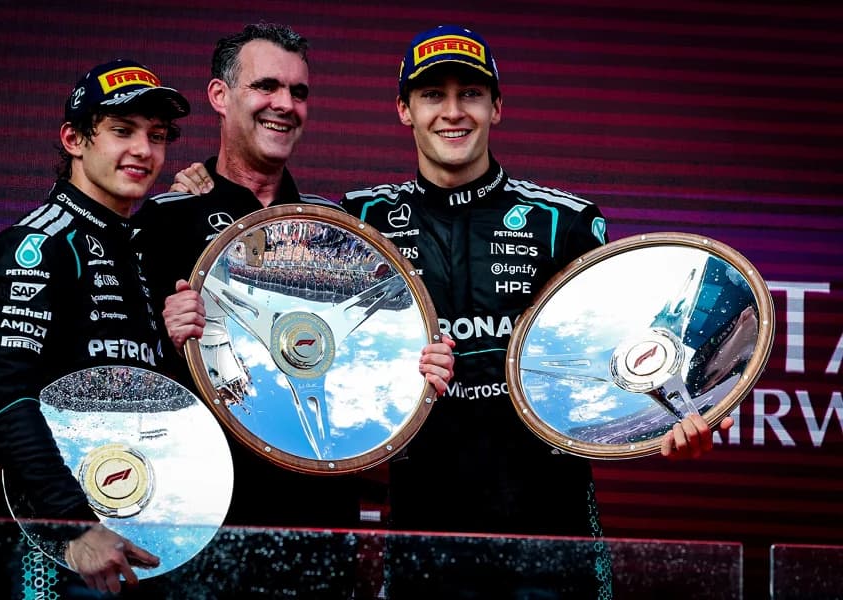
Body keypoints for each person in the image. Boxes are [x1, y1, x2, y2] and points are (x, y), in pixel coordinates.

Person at [174, 24, 733, 599]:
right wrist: (204, 189)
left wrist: (678, 414)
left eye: (470, 94)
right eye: (432, 95)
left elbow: (622, 358)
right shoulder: (360, 220)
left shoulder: (564, 221)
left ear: (497, 107)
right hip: (423, 516)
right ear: (403, 110)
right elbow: (272, 284)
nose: (452, 112)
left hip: (548, 519)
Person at [133, 23, 454, 598]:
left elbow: (375, 370)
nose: (285, 104)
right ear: (219, 96)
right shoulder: (160, 222)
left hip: (319, 530)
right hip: (196, 532)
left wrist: (418, 370)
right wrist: (163, 337)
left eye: (299, 92)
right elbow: (118, 377)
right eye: (266, 87)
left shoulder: (339, 229)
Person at [0, 58, 190, 597]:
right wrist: (75, 525)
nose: (144, 150)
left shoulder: (138, 247)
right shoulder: (38, 245)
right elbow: (4, 403)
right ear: (74, 139)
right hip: (58, 544)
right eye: (122, 131)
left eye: (156, 136)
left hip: (131, 535)